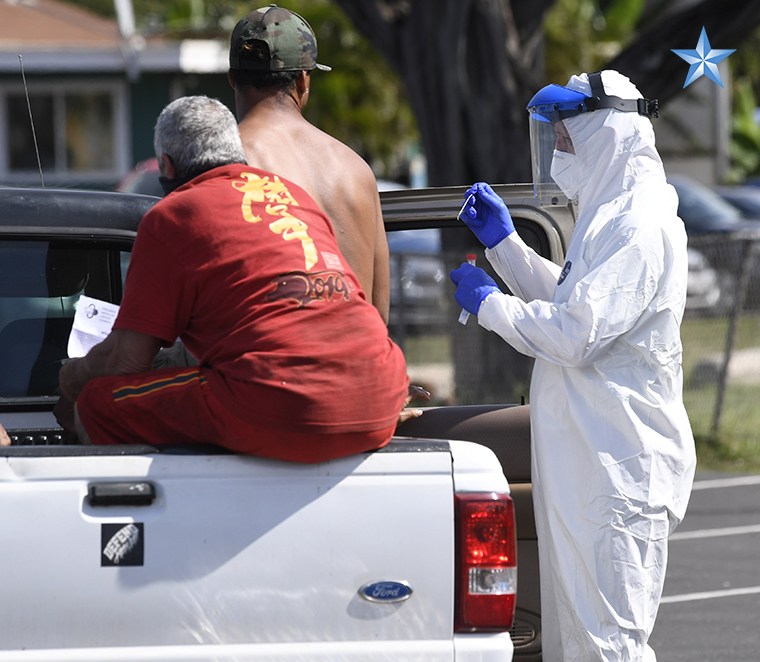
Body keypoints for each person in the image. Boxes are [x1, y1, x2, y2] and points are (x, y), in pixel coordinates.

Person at [450, 70, 696, 660]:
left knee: (609, 643)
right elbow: (573, 299)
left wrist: (490, 306)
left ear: (607, 132)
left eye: (567, 136)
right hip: (593, 463)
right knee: (578, 640)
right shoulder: (610, 216)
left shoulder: (639, 225)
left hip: (620, 470)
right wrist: (506, 247)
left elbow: (575, 334)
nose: (559, 149)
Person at [55, 95, 409, 463]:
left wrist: (73, 377)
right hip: (382, 396)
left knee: (97, 406)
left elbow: (127, 364)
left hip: (286, 405)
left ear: (167, 166)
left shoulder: (172, 215)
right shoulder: (294, 196)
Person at [227, 5, 391, 323]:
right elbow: (378, 312)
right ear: (304, 81)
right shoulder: (356, 169)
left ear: (234, 79)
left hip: (269, 369)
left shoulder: (228, 159)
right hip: (360, 367)